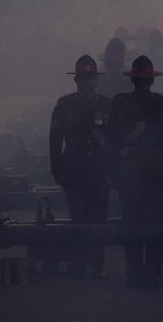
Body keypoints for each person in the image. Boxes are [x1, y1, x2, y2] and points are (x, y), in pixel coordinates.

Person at [108, 55, 163, 288]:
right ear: (151, 81)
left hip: (129, 170)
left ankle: (134, 271)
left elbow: (112, 140)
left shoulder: (119, 103)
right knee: (154, 223)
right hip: (156, 170)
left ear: (133, 80)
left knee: (132, 223)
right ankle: (153, 269)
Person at [49, 55, 111, 279]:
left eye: (90, 77)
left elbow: (114, 139)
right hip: (74, 168)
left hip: (99, 168)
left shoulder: (107, 105)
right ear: (76, 80)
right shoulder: (64, 104)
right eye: (83, 78)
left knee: (99, 219)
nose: (87, 81)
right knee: (79, 217)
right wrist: (57, 169)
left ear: (96, 80)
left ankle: (97, 264)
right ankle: (79, 263)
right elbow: (55, 139)